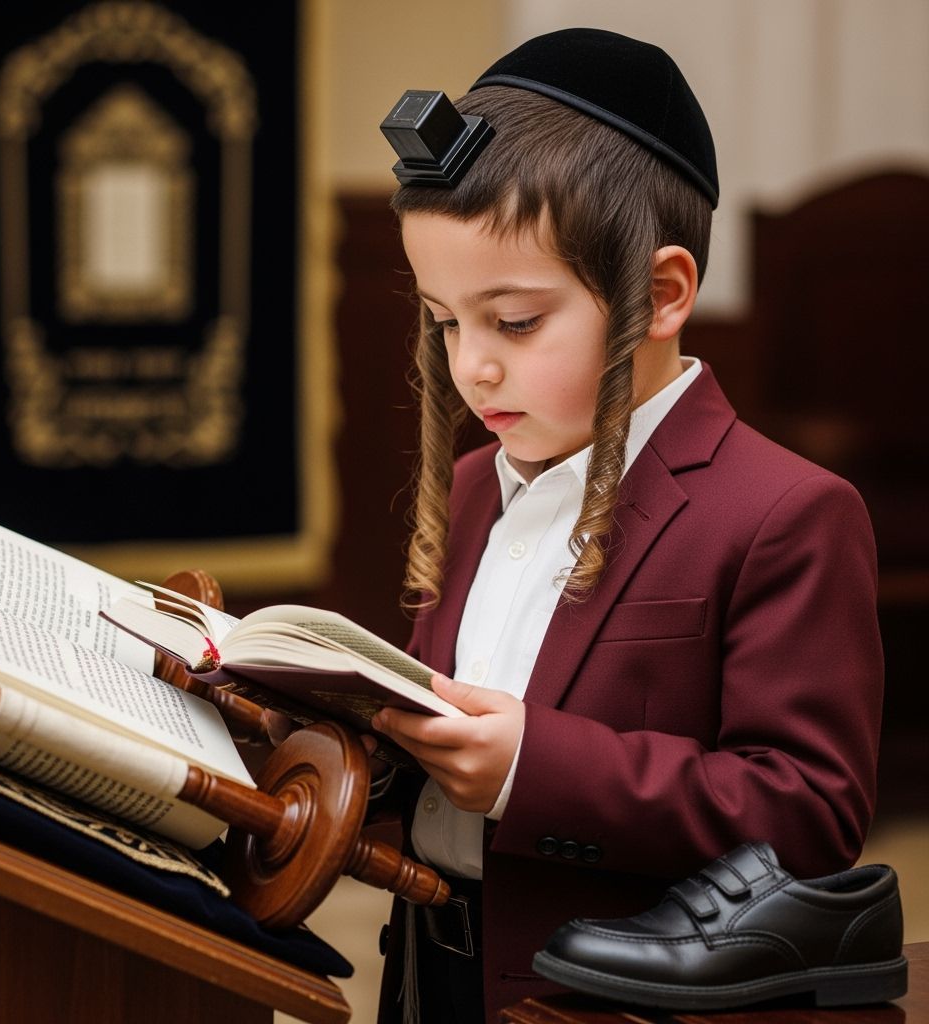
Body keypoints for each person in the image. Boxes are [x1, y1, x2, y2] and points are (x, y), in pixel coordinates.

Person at [364, 26, 885, 1024]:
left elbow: (811, 816)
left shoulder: (783, 512)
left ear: (659, 294)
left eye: (513, 322)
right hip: (429, 964)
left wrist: (533, 767)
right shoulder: (475, 484)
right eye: (443, 319)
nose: (471, 365)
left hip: (600, 996)